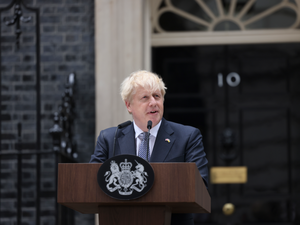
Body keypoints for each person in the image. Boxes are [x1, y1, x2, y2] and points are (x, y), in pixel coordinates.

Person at [90, 70, 208, 225]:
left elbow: (200, 185)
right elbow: (90, 184)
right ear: (129, 105)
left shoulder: (187, 136)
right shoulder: (110, 138)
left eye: (157, 96)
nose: (153, 102)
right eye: (145, 98)